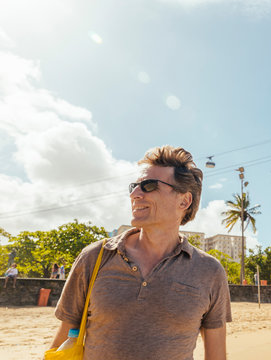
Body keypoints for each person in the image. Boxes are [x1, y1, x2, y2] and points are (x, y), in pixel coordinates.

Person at [50, 146, 232, 360]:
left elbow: (216, 355)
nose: (135, 194)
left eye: (149, 185)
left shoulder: (209, 271)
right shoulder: (94, 257)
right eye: (134, 186)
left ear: (184, 201)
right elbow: (65, 338)